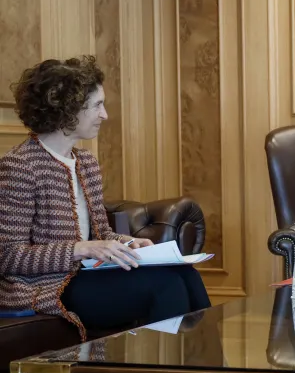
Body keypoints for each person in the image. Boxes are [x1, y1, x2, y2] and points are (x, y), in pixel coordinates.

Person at [0, 56, 211, 339]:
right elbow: (8, 257)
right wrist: (80, 249)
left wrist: (126, 243)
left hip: (86, 276)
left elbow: (100, 235)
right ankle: (167, 367)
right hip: (47, 286)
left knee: (185, 274)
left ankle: (203, 365)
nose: (105, 115)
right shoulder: (20, 166)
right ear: (68, 108)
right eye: (98, 105)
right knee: (164, 287)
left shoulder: (86, 163)